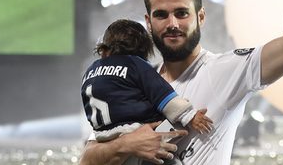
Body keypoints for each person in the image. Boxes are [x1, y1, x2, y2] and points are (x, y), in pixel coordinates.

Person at [80, 0, 283, 164]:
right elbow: (87, 160)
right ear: (148, 22)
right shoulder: (133, 83)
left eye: (182, 13)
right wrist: (127, 145)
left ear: (200, 17)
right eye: (161, 14)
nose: (172, 23)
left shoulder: (226, 70)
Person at [81, 19, 213, 163]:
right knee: (174, 135)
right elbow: (164, 96)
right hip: (138, 133)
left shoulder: (90, 71)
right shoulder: (134, 64)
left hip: (102, 138)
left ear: (105, 50)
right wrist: (190, 116)